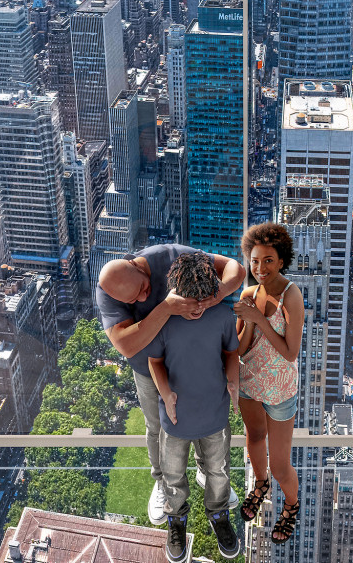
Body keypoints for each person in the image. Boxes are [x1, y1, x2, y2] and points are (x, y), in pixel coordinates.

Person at [96, 244, 244, 524]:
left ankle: (207, 471)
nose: (144, 296)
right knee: (157, 428)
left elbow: (236, 269)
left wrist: (214, 297)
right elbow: (125, 345)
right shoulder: (108, 290)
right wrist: (166, 308)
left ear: (138, 266)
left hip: (196, 359)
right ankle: (163, 482)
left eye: (143, 287)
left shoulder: (170, 256)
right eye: (134, 299)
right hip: (148, 366)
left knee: (207, 418)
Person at [146, 252, 241, 562]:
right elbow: (154, 361)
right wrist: (166, 393)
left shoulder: (223, 316)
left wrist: (234, 381)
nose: (199, 306)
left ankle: (219, 516)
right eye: (191, 299)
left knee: (219, 472)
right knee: (172, 477)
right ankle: (176, 522)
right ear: (176, 291)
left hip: (214, 413)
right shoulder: (164, 321)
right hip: (174, 418)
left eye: (205, 297)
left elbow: (230, 353)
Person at [232, 223, 303, 543]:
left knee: (281, 465)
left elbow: (290, 352)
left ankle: (291, 505)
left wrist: (260, 319)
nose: (260, 268)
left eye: (268, 260)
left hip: (280, 389)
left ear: (282, 260)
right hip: (249, 382)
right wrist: (248, 321)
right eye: (255, 261)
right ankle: (259, 486)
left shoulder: (292, 295)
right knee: (254, 439)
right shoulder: (248, 294)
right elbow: (241, 347)